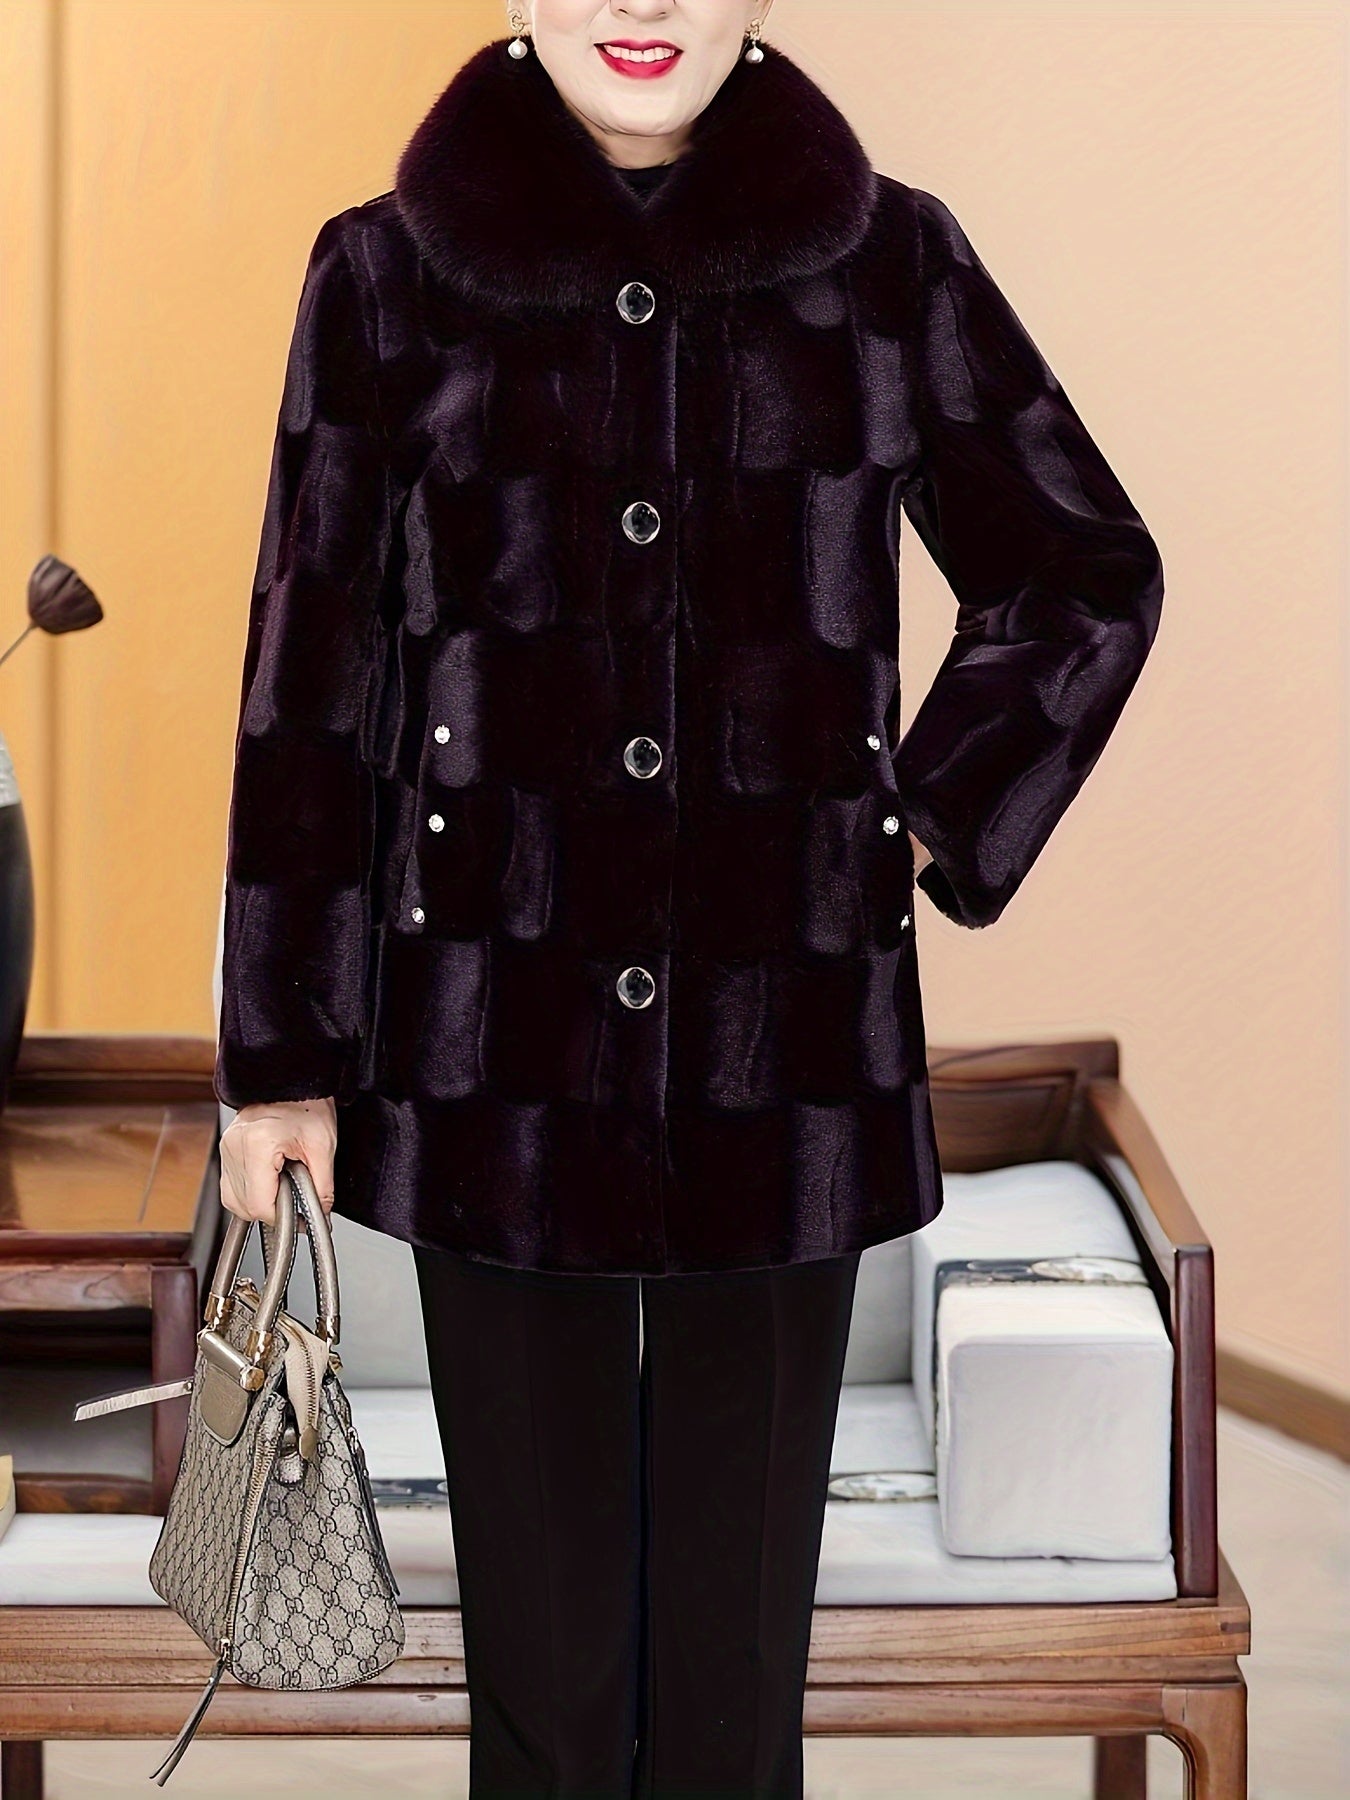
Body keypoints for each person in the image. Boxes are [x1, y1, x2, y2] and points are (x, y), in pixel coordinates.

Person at [214, 3, 1165, 1794]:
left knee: (734, 1707)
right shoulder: (385, 276)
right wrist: (280, 1060)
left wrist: (922, 820)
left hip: (781, 1058)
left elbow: (1080, 572)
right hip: (494, 1056)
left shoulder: (887, 264)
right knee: (547, 1709)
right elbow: (310, 677)